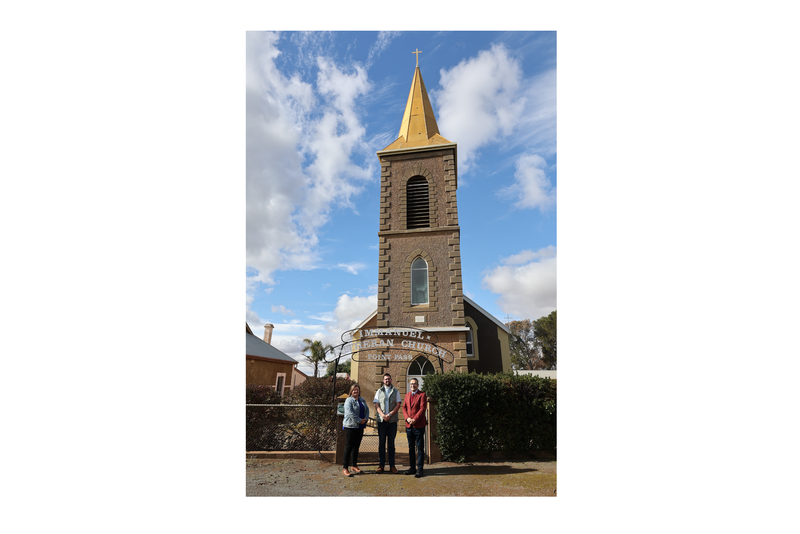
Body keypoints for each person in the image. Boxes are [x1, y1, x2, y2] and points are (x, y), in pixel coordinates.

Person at [373, 373, 402, 473]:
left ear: (391, 380)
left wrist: (389, 414)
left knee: (391, 444)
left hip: (392, 421)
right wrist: (383, 415)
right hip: (381, 421)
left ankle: (392, 466)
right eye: (385, 379)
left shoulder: (396, 391)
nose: (387, 381)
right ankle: (381, 465)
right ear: (383, 380)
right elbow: (376, 405)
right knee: (381, 444)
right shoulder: (379, 391)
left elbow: (398, 405)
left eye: (389, 379)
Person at [342, 383, 369, 477]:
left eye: (357, 390)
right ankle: (345, 467)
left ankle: (354, 465)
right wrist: (359, 420)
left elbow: (367, 409)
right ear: (351, 391)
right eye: (354, 390)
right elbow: (349, 412)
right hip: (350, 426)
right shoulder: (348, 400)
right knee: (349, 446)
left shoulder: (362, 399)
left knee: (356, 446)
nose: (356, 391)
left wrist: (366, 419)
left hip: (360, 426)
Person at [402, 378, 427, 478]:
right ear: (410, 385)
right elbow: (404, 407)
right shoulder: (407, 395)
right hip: (409, 426)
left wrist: (414, 419)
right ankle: (412, 468)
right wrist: (407, 418)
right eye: (411, 384)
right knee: (411, 447)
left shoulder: (422, 395)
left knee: (420, 448)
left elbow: (422, 408)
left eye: (415, 384)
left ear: (418, 385)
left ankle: (420, 469)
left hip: (418, 425)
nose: (413, 385)